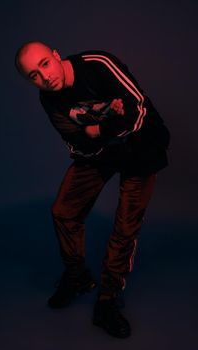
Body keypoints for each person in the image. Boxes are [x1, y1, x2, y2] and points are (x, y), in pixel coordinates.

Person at [15, 41, 170, 338]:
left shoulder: (97, 64)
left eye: (45, 64)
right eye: (34, 75)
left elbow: (137, 113)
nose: (45, 77)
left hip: (142, 148)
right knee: (64, 211)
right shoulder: (48, 98)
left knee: (125, 225)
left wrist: (96, 130)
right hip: (101, 154)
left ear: (56, 56)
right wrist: (103, 130)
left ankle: (108, 299)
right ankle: (77, 278)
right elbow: (75, 141)